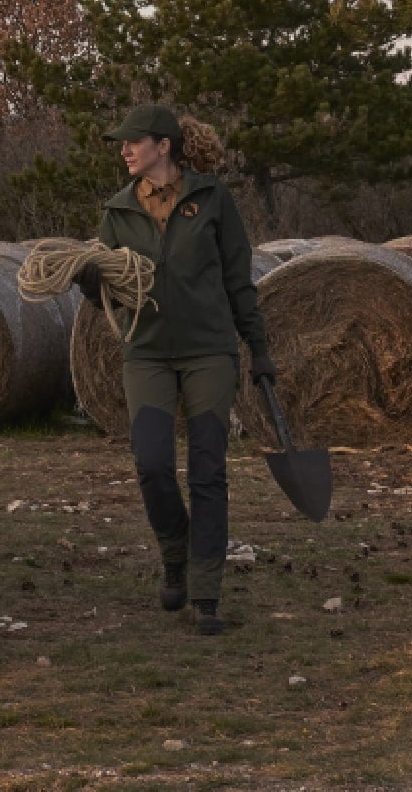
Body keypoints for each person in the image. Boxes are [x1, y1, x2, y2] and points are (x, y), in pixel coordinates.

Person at [73, 103, 272, 637]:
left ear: (163, 145)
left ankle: (206, 592)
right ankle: (175, 555)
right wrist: (90, 281)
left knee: (208, 471)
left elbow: (238, 279)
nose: (123, 149)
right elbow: (106, 297)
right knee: (153, 465)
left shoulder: (213, 198)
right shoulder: (116, 212)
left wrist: (259, 348)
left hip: (209, 351)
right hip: (148, 353)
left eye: (132, 140)